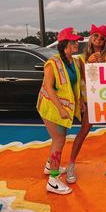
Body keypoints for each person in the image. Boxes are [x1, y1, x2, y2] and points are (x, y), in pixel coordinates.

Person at [66, 23, 106, 184]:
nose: (98, 39)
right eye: (96, 36)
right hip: (92, 101)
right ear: (91, 37)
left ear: (105, 42)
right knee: (83, 132)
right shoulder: (81, 58)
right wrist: (89, 63)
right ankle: (71, 164)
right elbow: (84, 80)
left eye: (102, 38)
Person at [37, 27, 85, 194]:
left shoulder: (75, 61)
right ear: (64, 44)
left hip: (64, 108)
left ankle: (50, 166)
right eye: (73, 41)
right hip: (51, 107)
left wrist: (80, 103)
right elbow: (49, 88)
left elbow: (74, 85)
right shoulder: (53, 63)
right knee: (59, 140)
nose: (77, 44)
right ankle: (53, 180)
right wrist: (60, 109)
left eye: (77, 41)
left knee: (59, 139)